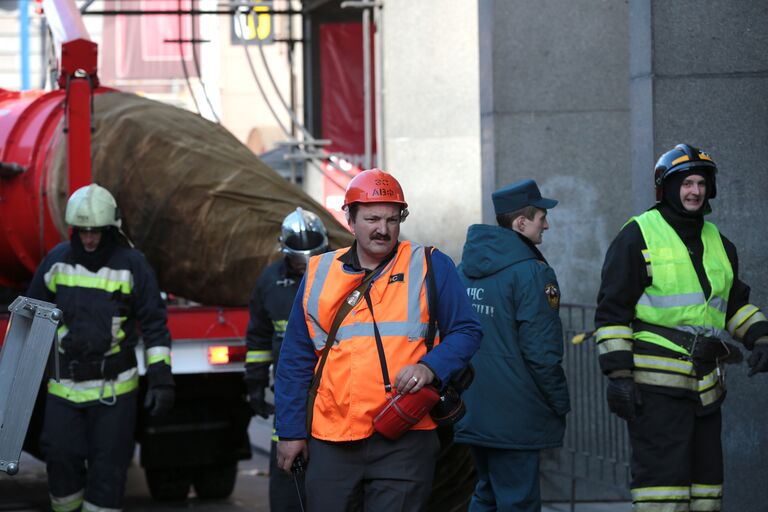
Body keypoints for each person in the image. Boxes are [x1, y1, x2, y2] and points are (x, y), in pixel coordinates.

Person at [273, 168, 482, 511]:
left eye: (391, 219)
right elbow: (295, 360)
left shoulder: (430, 265)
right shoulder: (319, 273)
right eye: (371, 218)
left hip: (405, 434)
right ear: (350, 220)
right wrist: (291, 432)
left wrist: (430, 367)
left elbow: (467, 330)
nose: (382, 229)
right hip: (332, 438)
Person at [594, 144, 768, 512]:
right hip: (655, 391)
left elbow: (733, 304)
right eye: (687, 183)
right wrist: (619, 375)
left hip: (706, 388)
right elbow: (613, 311)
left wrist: (761, 337)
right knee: (662, 490)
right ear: (668, 188)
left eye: (701, 183)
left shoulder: (719, 242)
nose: (695, 191)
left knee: (707, 490)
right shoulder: (638, 235)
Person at [27, 184, 175, 512]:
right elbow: (33, 319)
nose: (89, 239)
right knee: (60, 463)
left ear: (111, 230)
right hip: (64, 389)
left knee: (108, 473)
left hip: (115, 392)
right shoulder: (56, 262)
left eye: (96, 232)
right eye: (82, 232)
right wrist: (26, 381)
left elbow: (154, 323)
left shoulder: (133, 265)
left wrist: (161, 377)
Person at [455, 179, 571, 512]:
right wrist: (559, 402)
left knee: (487, 493)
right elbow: (542, 352)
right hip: (515, 413)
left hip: (474, 406)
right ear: (521, 223)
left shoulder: (466, 269)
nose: (546, 224)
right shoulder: (532, 273)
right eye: (540, 217)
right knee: (517, 500)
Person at [244, 207, 329, 512]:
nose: (305, 266)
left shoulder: (343, 273)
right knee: (286, 478)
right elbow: (257, 338)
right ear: (285, 251)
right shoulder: (269, 282)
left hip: (333, 394)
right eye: (298, 259)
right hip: (290, 393)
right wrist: (254, 384)